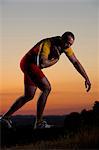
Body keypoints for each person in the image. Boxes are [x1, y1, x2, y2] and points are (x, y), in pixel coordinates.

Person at [0, 32, 91, 129]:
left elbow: (76, 62)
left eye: (70, 44)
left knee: (29, 95)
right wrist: (56, 59)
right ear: (61, 39)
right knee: (46, 88)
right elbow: (42, 64)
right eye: (67, 43)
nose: (68, 46)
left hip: (29, 65)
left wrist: (86, 78)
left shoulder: (66, 47)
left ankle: (5, 117)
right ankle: (39, 123)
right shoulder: (48, 43)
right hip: (29, 63)